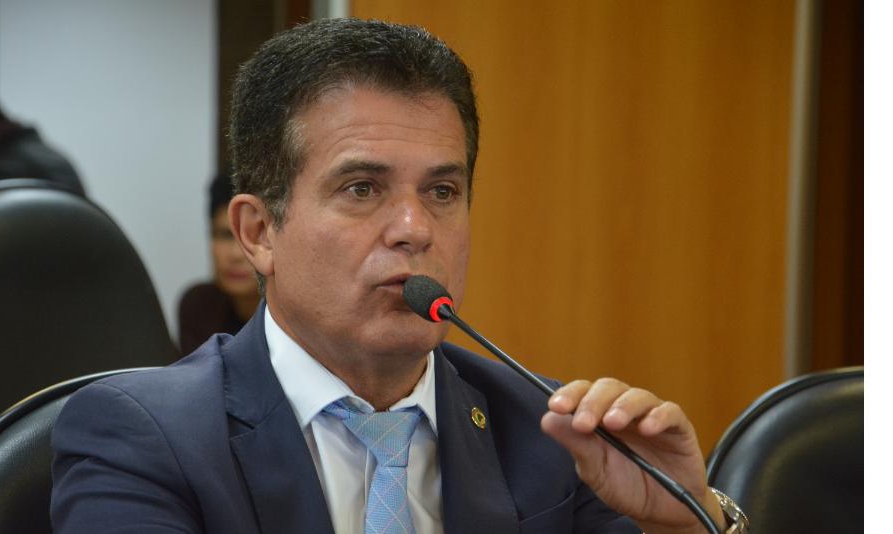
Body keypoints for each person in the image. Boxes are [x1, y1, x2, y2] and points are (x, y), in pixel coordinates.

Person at [51, 18, 745, 534]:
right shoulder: (143, 438)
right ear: (259, 232)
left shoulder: (552, 433)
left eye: (442, 192)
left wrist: (685, 525)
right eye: (362, 189)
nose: (414, 228)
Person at [178, 173, 261, 354]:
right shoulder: (199, 308)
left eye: (251, 236)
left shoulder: (298, 318)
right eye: (224, 235)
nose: (235, 255)